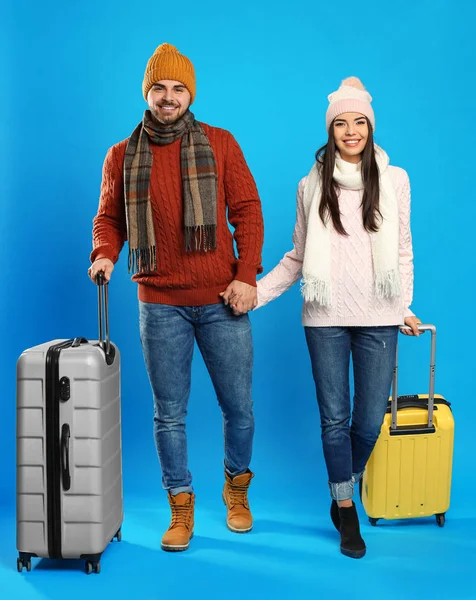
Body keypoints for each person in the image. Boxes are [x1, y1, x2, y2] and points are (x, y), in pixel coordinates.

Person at [88, 43, 264, 552]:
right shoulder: (122, 154)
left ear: (190, 94)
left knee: (240, 408)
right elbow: (109, 218)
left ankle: (236, 490)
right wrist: (104, 252)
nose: (168, 98)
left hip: (221, 299)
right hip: (158, 302)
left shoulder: (221, 143)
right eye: (159, 89)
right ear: (147, 93)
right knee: (169, 413)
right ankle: (181, 507)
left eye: (178, 89)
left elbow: (248, 211)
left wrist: (247, 277)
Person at [255, 77, 421, 559]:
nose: (351, 131)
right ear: (331, 130)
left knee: (369, 421)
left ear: (371, 126)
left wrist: (403, 304)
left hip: (380, 314)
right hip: (324, 316)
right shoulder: (310, 185)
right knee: (335, 419)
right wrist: (256, 296)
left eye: (359, 122)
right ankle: (345, 509)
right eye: (342, 123)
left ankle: (341, 486)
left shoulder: (395, 181)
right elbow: (299, 256)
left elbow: (404, 249)